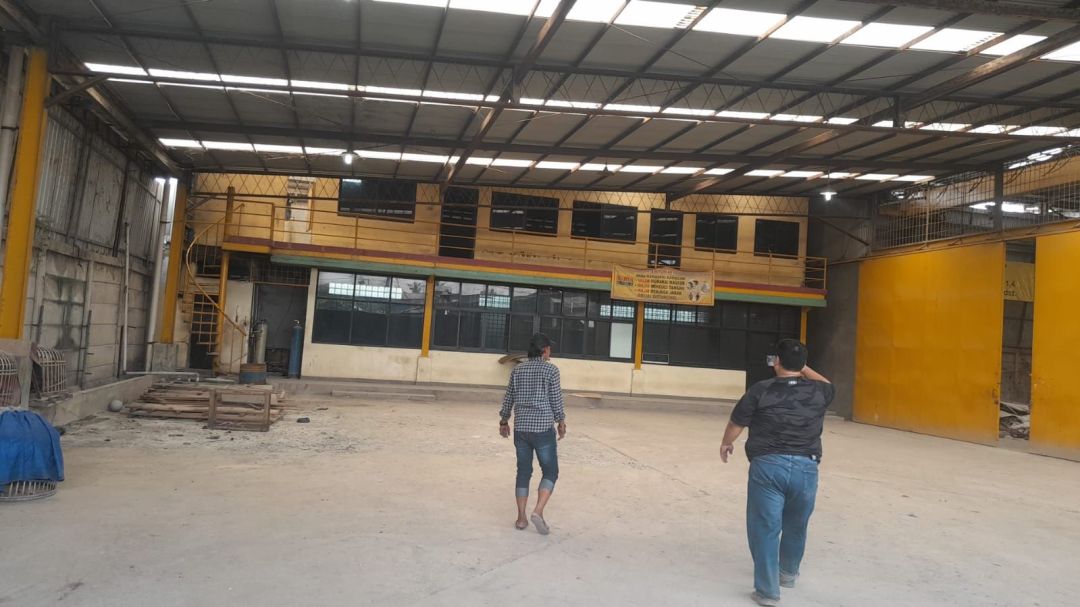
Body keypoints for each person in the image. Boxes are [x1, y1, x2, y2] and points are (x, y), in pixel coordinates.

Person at [720, 339, 834, 606]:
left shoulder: (761, 390)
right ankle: (788, 574)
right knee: (797, 524)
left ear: (776, 362)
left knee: (765, 527)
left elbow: (736, 422)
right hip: (806, 468)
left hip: (768, 466)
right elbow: (827, 383)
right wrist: (802, 366)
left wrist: (726, 443)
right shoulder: (820, 391)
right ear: (802, 365)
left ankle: (768, 591)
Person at [499, 333, 566, 535]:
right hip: (543, 428)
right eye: (549, 348)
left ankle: (521, 519)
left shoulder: (518, 370)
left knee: (523, 471)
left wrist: (504, 420)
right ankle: (538, 511)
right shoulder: (551, 370)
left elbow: (509, 397)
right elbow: (555, 399)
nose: (550, 351)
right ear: (544, 350)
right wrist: (561, 421)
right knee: (550, 471)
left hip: (521, 429)